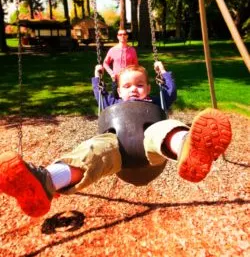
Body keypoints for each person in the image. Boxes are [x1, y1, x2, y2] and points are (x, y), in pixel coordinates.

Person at [0, 62, 232, 218]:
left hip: (150, 154)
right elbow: (99, 94)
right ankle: (45, 182)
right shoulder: (112, 104)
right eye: (127, 86)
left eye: (140, 85)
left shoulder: (156, 101)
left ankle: (188, 147)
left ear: (148, 88)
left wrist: (163, 72)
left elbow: (169, 91)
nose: (134, 90)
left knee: (163, 129)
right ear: (119, 92)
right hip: (118, 153)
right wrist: (96, 76)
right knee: (93, 151)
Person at [103, 29, 138, 97]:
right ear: (117, 36)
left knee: (129, 98)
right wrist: (111, 73)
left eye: (124, 34)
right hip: (116, 79)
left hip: (128, 78)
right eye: (120, 34)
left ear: (127, 36)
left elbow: (136, 65)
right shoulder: (113, 50)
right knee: (115, 98)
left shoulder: (132, 50)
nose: (122, 36)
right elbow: (105, 63)